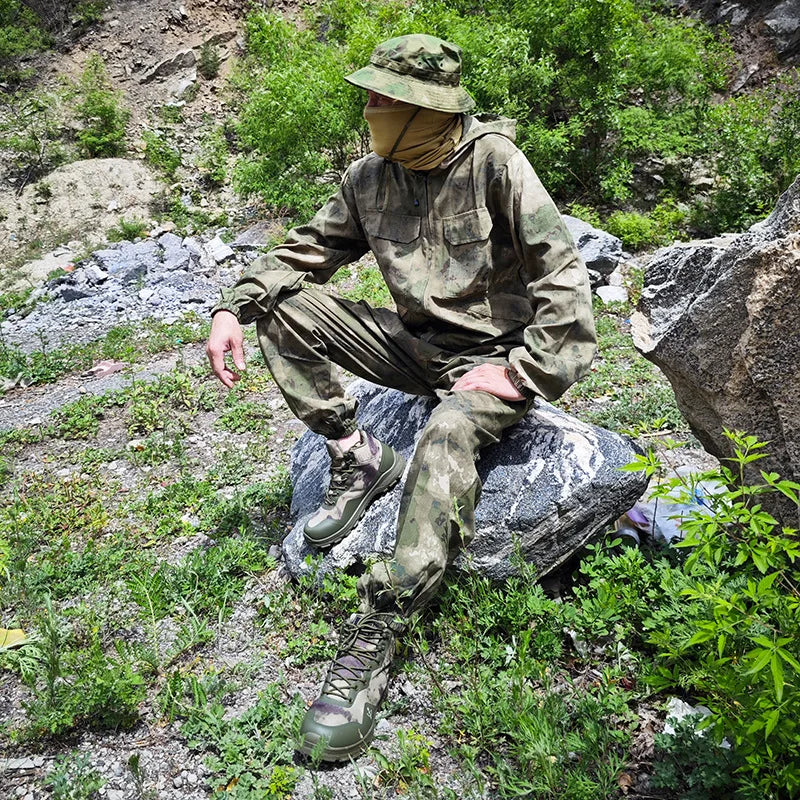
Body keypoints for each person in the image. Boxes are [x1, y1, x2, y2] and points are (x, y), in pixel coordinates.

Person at [206, 33, 596, 762]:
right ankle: (358, 458)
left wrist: (522, 374)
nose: (371, 110)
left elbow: (565, 280)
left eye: (385, 98)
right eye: (371, 97)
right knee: (285, 306)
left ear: (426, 108)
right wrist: (233, 306)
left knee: (446, 437)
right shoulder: (368, 177)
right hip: (415, 350)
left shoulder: (495, 163)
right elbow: (301, 254)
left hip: (491, 361)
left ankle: (380, 626)